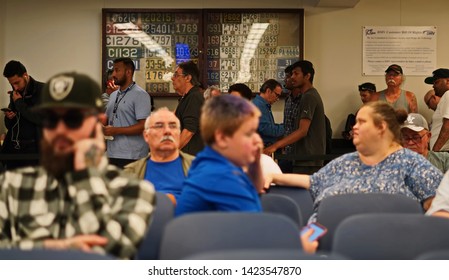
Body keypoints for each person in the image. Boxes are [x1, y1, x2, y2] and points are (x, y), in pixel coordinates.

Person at [0, 72, 155, 259]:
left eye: (72, 120)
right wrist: (60, 247)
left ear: (99, 121)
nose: (60, 131)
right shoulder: (11, 186)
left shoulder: (132, 191)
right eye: (51, 121)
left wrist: (83, 173)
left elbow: (112, 257)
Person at [265, 102, 442, 222]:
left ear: (381, 127)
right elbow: (313, 181)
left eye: (361, 122)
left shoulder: (412, 165)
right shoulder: (346, 161)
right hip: (323, 241)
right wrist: (273, 176)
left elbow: (439, 211)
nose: (354, 127)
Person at [175, 94, 264, 216]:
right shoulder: (221, 177)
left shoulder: (210, 162)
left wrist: (255, 162)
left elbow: (256, 189)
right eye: (249, 134)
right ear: (222, 138)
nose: (257, 140)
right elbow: (257, 227)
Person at [264, 60, 326, 174]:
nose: (292, 77)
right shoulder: (304, 96)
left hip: (308, 160)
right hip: (299, 158)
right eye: (292, 74)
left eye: (296, 74)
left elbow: (303, 130)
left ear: (307, 76)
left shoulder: (309, 96)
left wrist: (275, 146)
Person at [124, 107, 194, 204]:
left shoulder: (199, 167)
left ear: (179, 133)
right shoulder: (131, 172)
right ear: (146, 135)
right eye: (159, 126)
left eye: (173, 126)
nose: (167, 131)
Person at [103, 57, 152, 168]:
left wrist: (116, 130)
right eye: (113, 70)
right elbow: (108, 120)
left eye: (117, 70)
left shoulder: (141, 95)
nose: (113, 74)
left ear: (128, 72)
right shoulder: (113, 95)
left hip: (133, 156)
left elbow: (143, 126)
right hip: (112, 153)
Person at [1, 60, 44, 169]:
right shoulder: (15, 94)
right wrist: (9, 117)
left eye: (17, 82)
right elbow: (9, 126)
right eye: (11, 84)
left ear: (25, 75)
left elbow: (40, 119)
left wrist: (19, 103)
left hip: (34, 153)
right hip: (13, 151)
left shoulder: (43, 91)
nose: (14, 87)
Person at [172, 60, 205, 156]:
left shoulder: (194, 97)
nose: (172, 78)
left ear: (187, 78)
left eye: (176, 75)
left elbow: (189, 131)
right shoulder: (187, 97)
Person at [252, 79, 285, 147]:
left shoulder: (263, 105)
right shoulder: (259, 105)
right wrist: (285, 128)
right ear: (268, 91)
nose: (277, 98)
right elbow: (265, 128)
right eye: (277, 95)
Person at [426, 68, 449, 152]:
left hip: (444, 154)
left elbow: (448, 125)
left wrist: (435, 151)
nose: (433, 86)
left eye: (436, 82)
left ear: (448, 81)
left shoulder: (448, 94)